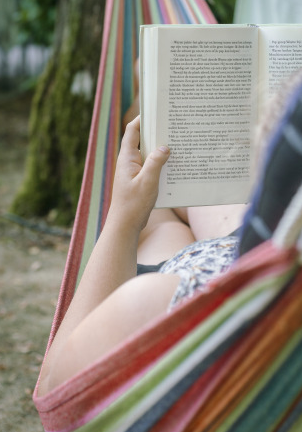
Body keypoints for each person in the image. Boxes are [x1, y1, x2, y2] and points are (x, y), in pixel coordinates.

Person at [37, 114, 247, 396]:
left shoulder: (148, 300)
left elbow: (55, 397)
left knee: (159, 214)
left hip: (201, 277)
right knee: (181, 194)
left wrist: (124, 217)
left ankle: (139, 101)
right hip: (255, 251)